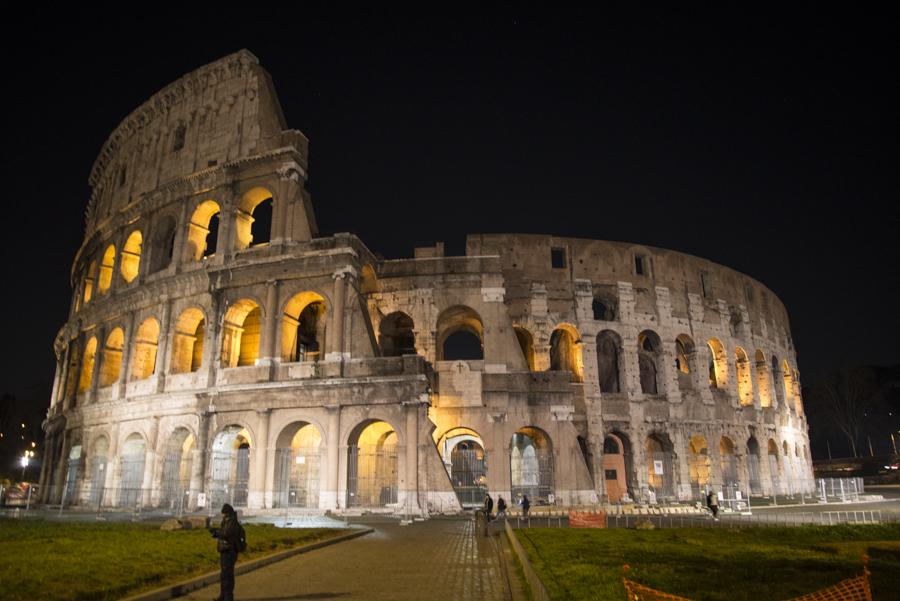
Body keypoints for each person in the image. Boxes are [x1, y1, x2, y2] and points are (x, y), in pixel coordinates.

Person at [210, 503, 245, 601]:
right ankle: (223, 596)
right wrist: (216, 532)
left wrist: (216, 532)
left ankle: (228, 597)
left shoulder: (232, 522)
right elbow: (224, 532)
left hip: (230, 551)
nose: (223, 516)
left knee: (227, 575)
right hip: (225, 550)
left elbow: (226, 534)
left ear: (227, 513)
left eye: (224, 514)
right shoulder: (227, 521)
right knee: (224, 575)